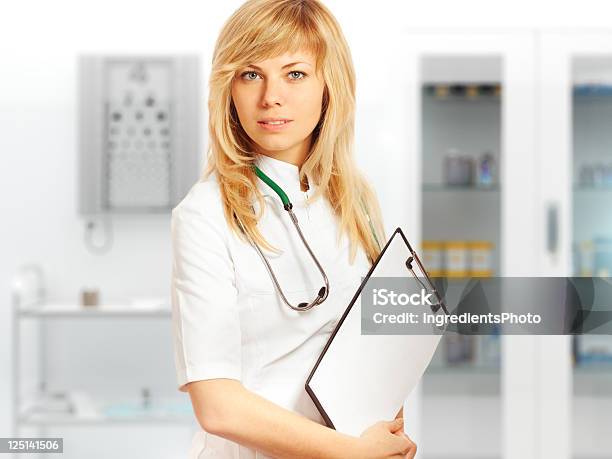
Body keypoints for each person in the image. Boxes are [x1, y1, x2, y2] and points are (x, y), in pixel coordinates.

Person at [170, 0, 417, 457]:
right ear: (229, 89)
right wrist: (350, 452)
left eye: (295, 74)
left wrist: (387, 427)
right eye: (250, 74)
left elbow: (373, 344)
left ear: (329, 86)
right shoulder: (204, 214)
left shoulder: (353, 200)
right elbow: (218, 406)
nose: (270, 97)